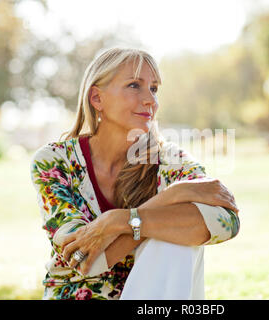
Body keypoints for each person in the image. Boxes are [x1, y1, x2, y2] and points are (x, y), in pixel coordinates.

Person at [30, 47, 240, 300]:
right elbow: (84, 259)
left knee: (178, 241)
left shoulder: (168, 160)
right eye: (134, 85)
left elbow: (227, 222)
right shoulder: (54, 161)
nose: (151, 100)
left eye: (154, 88)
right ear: (97, 98)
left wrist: (119, 222)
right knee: (173, 225)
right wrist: (175, 195)